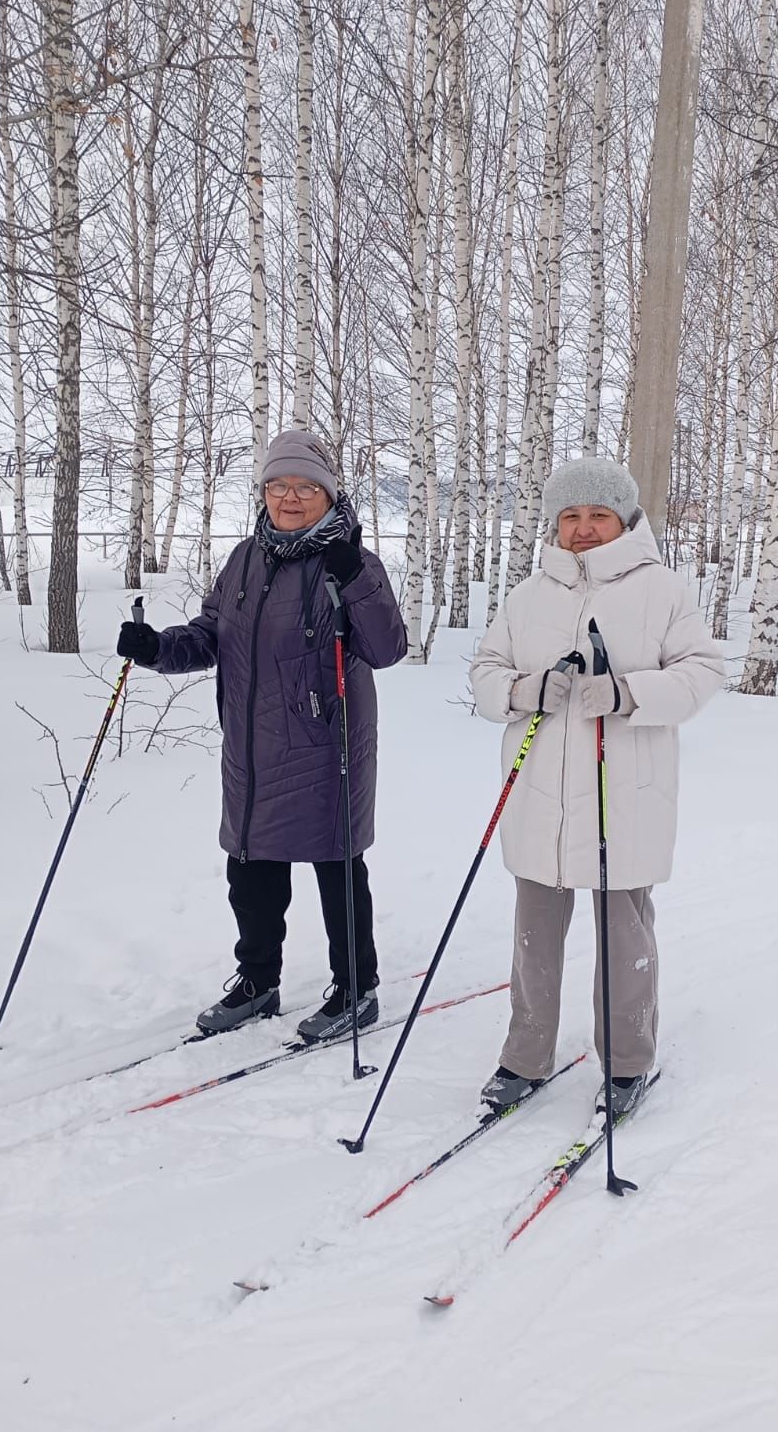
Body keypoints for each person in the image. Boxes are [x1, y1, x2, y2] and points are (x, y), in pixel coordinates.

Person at [116, 429, 407, 1040]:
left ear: (329, 494)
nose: (290, 498)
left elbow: (386, 649)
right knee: (250, 871)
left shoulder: (349, 561)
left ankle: (358, 989)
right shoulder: (246, 559)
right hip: (249, 748)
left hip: (328, 751)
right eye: (278, 486)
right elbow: (211, 635)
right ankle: (258, 982)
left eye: (304, 487)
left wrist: (355, 576)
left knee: (338, 868)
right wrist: (157, 648)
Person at [470, 457, 724, 1115]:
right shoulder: (528, 596)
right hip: (540, 799)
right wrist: (528, 690)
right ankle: (525, 1055)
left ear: (624, 519)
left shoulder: (662, 590)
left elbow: (702, 673)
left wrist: (629, 692)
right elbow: (487, 673)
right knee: (534, 940)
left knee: (623, 939)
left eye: (598, 515)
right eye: (571, 517)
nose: (584, 529)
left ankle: (628, 1062)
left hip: (624, 795)